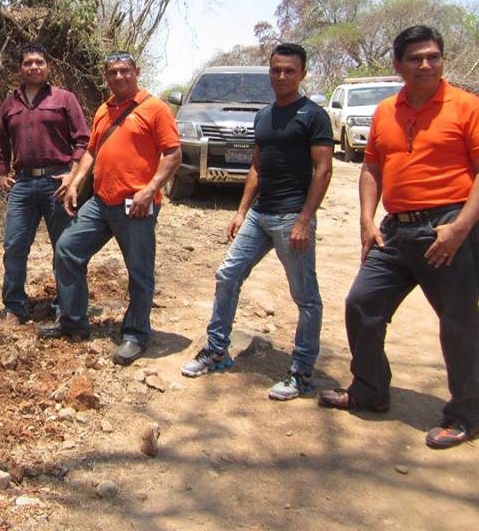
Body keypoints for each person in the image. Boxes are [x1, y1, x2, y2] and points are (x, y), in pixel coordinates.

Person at [317, 25, 479, 449]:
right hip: (395, 230)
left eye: (433, 56)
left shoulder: (466, 107)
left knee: (459, 322)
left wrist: (461, 226)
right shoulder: (386, 110)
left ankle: (465, 415)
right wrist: (367, 221)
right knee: (362, 304)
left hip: (448, 228)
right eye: (415, 58)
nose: (426, 64)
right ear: (397, 65)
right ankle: (370, 389)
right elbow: (372, 167)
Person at [180, 43, 333, 400]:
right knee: (227, 275)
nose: (281, 76)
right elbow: (257, 165)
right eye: (276, 70)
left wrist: (304, 220)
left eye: (289, 71)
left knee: (305, 297)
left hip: (292, 217)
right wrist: (241, 210)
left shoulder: (313, 115)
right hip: (260, 215)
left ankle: (302, 372)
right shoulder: (263, 116)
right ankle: (217, 350)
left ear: (302, 74)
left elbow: (324, 170)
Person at [38, 52, 181, 366]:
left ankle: (136, 334)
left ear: (136, 72)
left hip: (136, 207)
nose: (118, 77)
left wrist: (150, 190)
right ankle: (74, 321)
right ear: (106, 77)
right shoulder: (105, 109)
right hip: (101, 202)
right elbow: (91, 150)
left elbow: (173, 154)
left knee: (139, 272)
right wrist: (76, 181)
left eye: (124, 71)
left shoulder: (155, 109)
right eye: (112, 72)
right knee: (67, 249)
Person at [0, 44, 89, 325]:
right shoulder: (10, 103)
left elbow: (82, 139)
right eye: (27, 63)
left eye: (38, 62)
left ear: (48, 67)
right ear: (20, 69)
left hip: (57, 182)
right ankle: (14, 307)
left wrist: (73, 173)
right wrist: (1, 172)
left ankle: (66, 307)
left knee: (65, 246)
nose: (33, 67)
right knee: (14, 245)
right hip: (22, 184)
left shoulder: (64, 98)